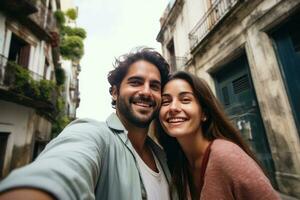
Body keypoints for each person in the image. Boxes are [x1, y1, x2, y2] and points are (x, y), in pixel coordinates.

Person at [0, 47, 176, 200]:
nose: (146, 92)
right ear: (115, 92)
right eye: (136, 82)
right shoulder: (93, 134)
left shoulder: (163, 156)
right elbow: (60, 171)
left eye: (154, 86)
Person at [156, 71, 280, 200]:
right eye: (165, 102)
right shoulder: (176, 162)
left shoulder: (226, 155)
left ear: (204, 113)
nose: (173, 107)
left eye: (185, 100)